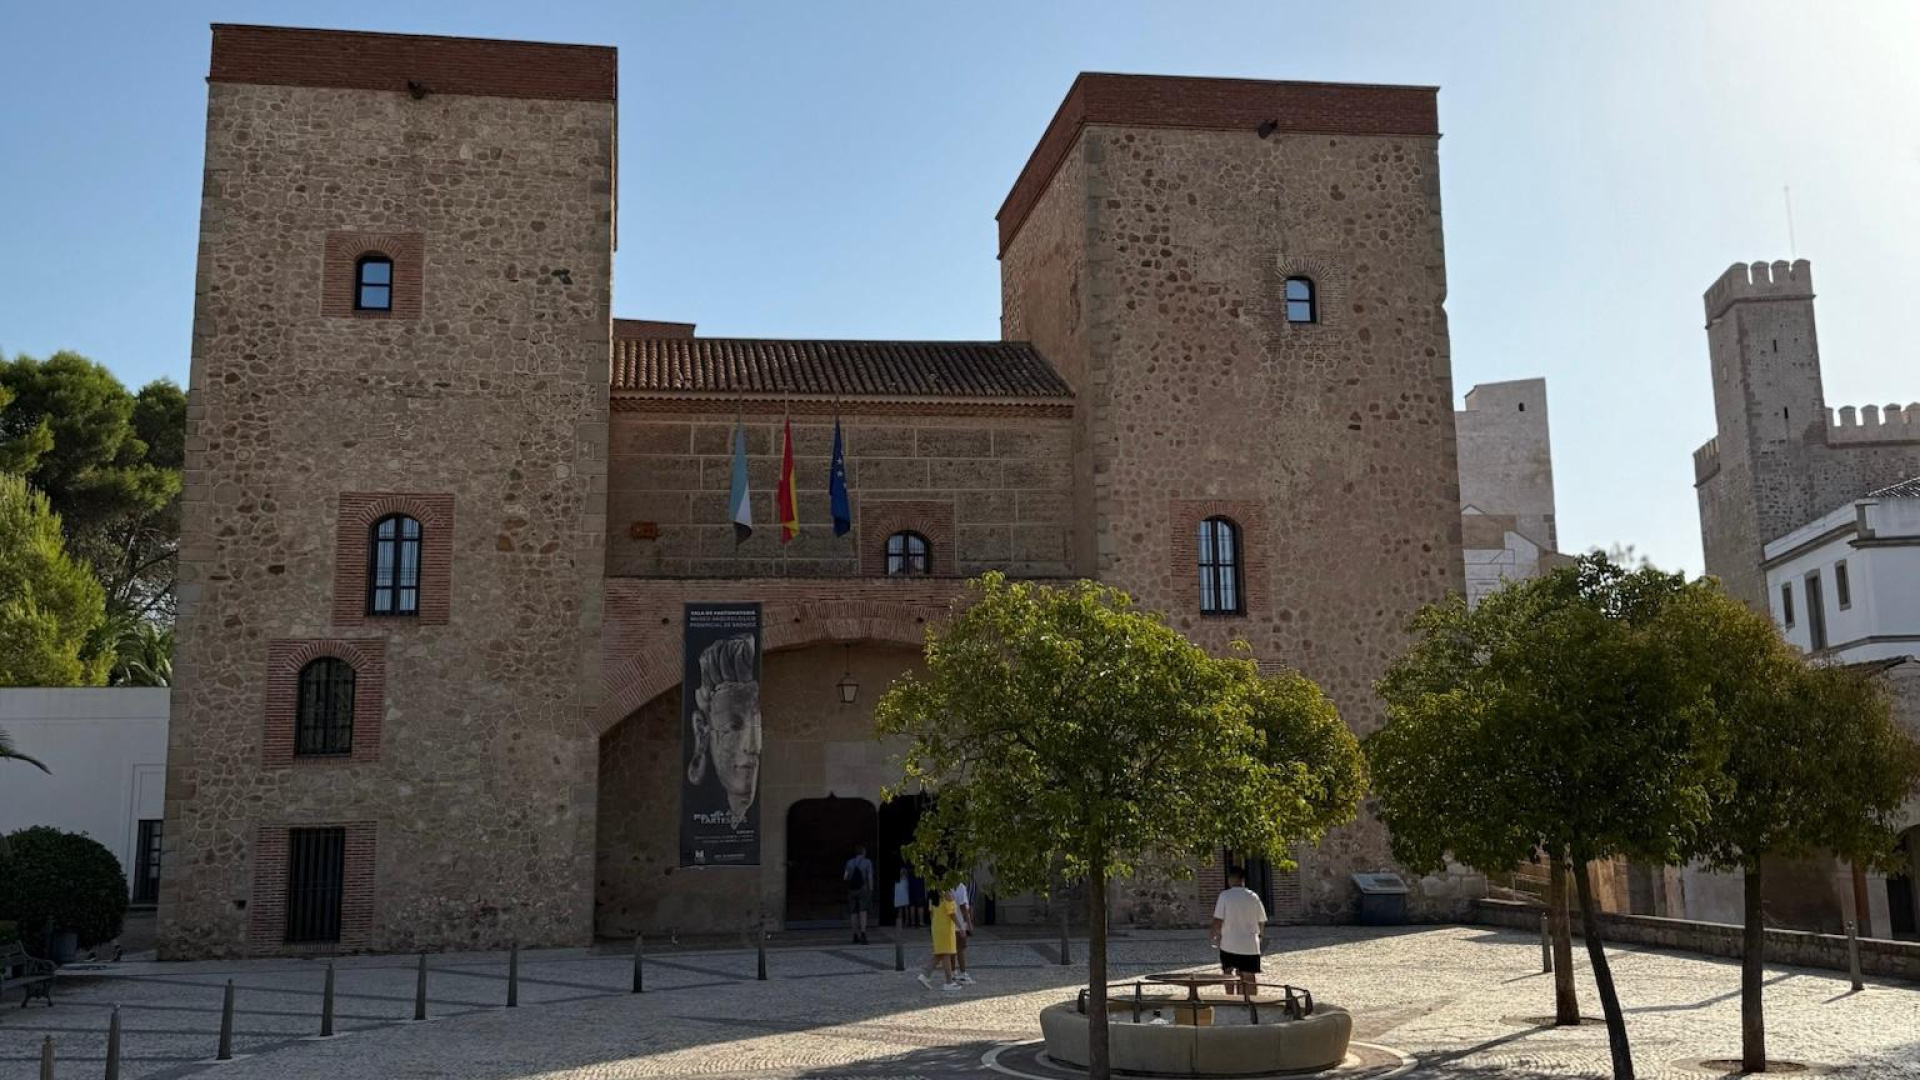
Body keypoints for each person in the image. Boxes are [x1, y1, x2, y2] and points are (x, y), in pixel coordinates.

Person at [1210, 866, 1268, 997]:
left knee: (1228, 973)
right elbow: (1261, 920)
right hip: (1249, 944)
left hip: (1229, 943)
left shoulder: (1225, 896)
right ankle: (1250, 1001)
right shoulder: (1253, 897)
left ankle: (1231, 999)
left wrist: (1214, 935)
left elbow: (1218, 919)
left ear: (1232, 879)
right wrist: (1259, 935)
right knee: (1249, 975)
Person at [915, 888, 962, 991]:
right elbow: (951, 913)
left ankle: (925, 975)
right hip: (945, 927)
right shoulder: (945, 892)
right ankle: (949, 982)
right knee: (946, 953)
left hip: (936, 926)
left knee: (940, 953)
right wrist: (960, 926)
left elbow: (930, 911)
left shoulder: (932, 892)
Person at [844, 844, 875, 944]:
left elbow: (845, 877)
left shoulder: (849, 862)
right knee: (863, 911)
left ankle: (854, 935)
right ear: (863, 852)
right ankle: (863, 934)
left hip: (852, 889)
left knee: (853, 912)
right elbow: (870, 876)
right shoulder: (867, 862)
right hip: (863, 889)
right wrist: (871, 889)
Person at [950, 879, 975, 984]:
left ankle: (952, 972)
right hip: (959, 922)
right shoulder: (961, 887)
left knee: (952, 949)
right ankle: (963, 973)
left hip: (950, 923)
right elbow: (963, 906)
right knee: (961, 949)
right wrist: (969, 923)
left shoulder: (947, 886)